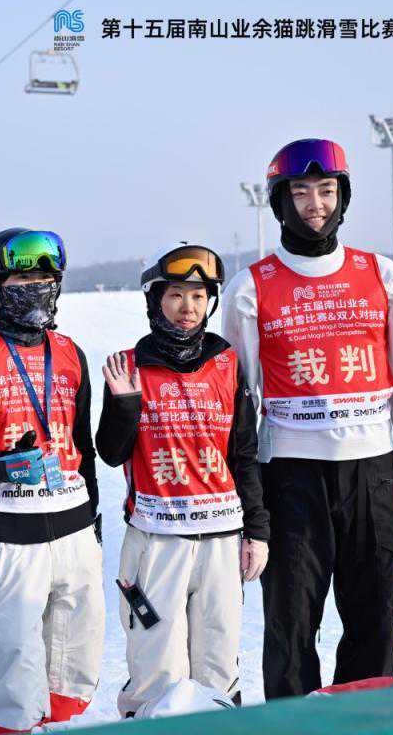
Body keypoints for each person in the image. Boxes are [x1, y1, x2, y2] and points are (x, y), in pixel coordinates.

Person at [221, 138, 393, 698]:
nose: (314, 204)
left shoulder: (380, 275)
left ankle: (362, 726)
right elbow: (241, 401)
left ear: (342, 197)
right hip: (291, 476)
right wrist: (243, 495)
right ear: (280, 201)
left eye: (326, 190)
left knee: (374, 618)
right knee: (290, 623)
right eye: (300, 192)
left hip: (372, 471)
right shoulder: (250, 288)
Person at [0, 228, 104, 734]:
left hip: (73, 530)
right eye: (20, 281)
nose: (35, 289)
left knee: (74, 664)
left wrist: (93, 520)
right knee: (14, 672)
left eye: (44, 279)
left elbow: (82, 444)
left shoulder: (70, 352)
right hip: (5, 537)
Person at [94, 243, 269, 715]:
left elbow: (244, 456)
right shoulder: (129, 365)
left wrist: (257, 531)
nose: (187, 307)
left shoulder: (227, 363)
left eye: (198, 295)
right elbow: (110, 453)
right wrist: (124, 405)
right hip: (156, 541)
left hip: (220, 541)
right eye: (175, 295)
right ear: (155, 300)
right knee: (157, 668)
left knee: (217, 666)